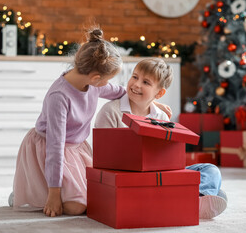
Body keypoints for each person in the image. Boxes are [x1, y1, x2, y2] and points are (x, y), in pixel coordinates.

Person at [9, 28, 171, 217]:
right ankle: (34, 193)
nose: (108, 84)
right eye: (107, 79)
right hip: (50, 149)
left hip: (76, 149)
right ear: (96, 78)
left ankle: (45, 191)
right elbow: (55, 147)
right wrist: (54, 194)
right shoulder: (59, 97)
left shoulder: (91, 84)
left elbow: (120, 91)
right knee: (76, 208)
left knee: (98, 197)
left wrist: (152, 101)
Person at [94, 58, 228, 219]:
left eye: (146, 82)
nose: (136, 84)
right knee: (218, 193)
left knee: (210, 170)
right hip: (129, 176)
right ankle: (187, 201)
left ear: (159, 93)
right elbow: (103, 157)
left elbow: (167, 154)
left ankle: (196, 198)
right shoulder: (111, 111)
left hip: (158, 174)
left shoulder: (162, 116)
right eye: (134, 77)